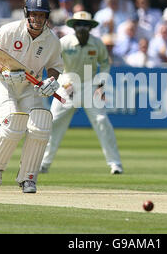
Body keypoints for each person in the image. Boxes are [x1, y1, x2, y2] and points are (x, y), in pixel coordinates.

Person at [0, 0, 64, 193]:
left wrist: (51, 80)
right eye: (34, 14)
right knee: (13, 121)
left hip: (30, 86)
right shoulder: (10, 30)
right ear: (26, 14)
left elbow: (55, 66)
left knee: (41, 126)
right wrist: (5, 70)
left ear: (47, 17)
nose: (37, 19)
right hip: (3, 82)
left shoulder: (52, 40)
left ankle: (28, 178)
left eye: (42, 15)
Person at [40, 11, 123, 175]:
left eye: (86, 25)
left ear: (90, 27)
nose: (82, 28)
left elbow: (105, 64)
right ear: (74, 27)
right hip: (67, 85)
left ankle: (115, 164)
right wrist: (63, 83)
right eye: (79, 25)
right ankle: (43, 163)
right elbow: (53, 64)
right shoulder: (64, 42)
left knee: (102, 121)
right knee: (54, 122)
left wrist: (101, 84)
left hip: (90, 85)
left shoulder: (97, 43)